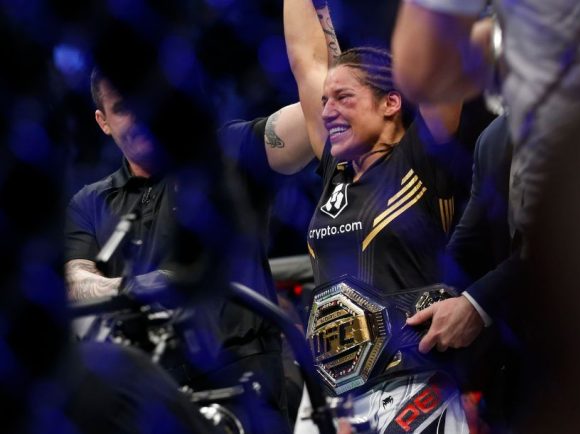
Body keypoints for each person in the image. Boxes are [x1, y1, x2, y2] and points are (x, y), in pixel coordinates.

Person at [391, 0, 580, 352]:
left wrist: (517, 41)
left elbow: (424, 67)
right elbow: (468, 246)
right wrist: (409, 301)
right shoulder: (494, 142)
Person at [64, 67, 318, 434]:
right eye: (122, 108)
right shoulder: (90, 201)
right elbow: (74, 278)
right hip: (149, 382)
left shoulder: (222, 153)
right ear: (103, 122)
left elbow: (313, 116)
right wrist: (134, 288)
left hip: (241, 371)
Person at [282, 0, 468, 431]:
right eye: (325, 100)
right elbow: (304, 59)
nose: (327, 110)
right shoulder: (335, 171)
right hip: (333, 402)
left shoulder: (424, 155)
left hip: (414, 390)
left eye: (343, 98)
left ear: (390, 103)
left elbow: (445, 49)